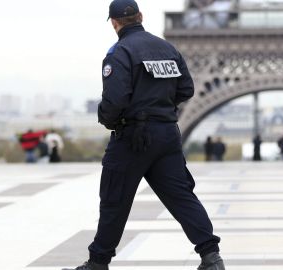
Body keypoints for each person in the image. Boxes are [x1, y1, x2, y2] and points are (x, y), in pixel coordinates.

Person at [63, 1, 224, 269]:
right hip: (167, 133)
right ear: (140, 17)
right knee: (182, 196)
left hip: (133, 136)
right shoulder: (167, 47)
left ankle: (98, 263)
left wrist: (109, 119)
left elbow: (115, 100)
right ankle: (211, 255)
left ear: (114, 23)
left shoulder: (120, 51)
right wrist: (160, 104)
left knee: (115, 199)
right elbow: (186, 89)